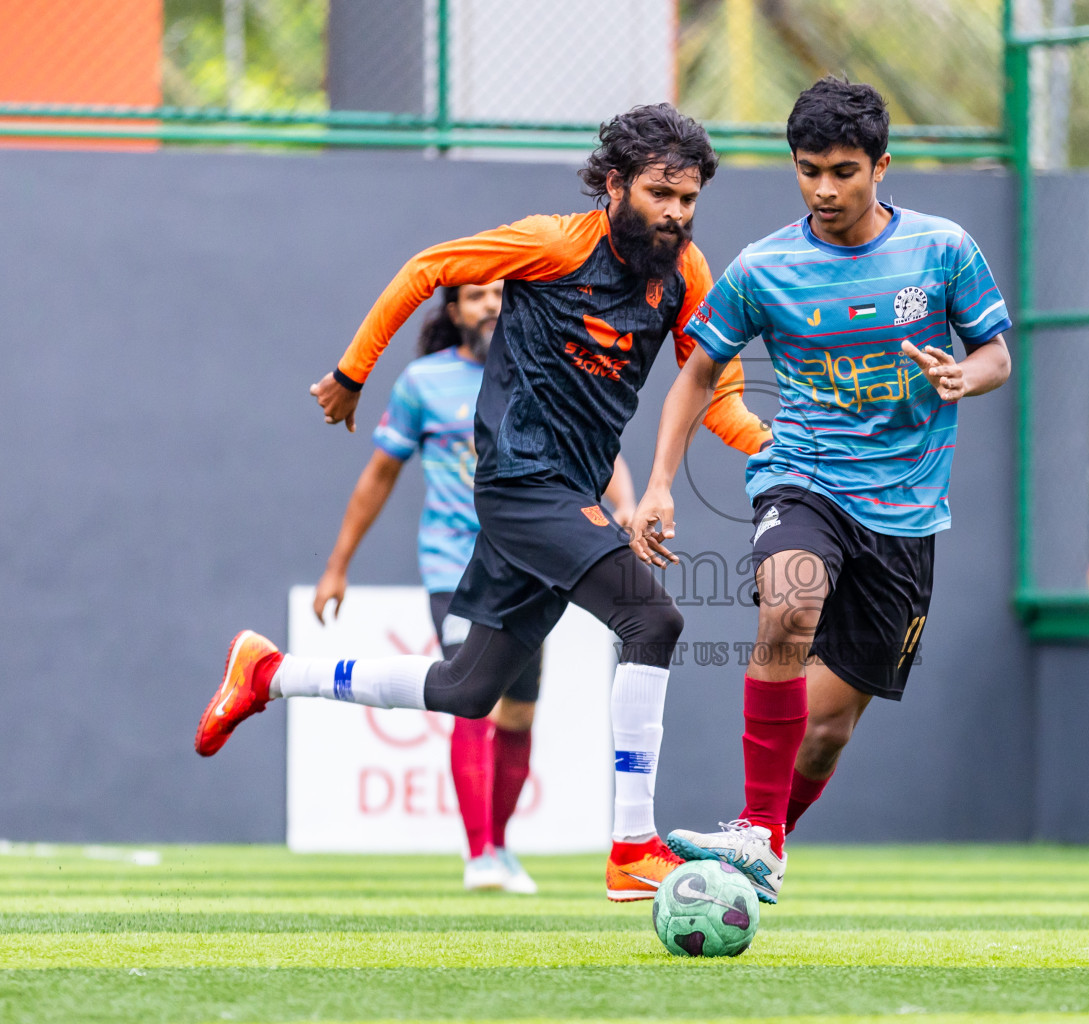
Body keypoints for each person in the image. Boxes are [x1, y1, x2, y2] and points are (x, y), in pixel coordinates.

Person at [193, 103, 771, 903]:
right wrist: (354, 372)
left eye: (688, 197)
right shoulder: (552, 242)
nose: (675, 212)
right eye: (659, 193)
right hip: (520, 485)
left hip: (561, 495)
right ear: (613, 184)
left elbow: (718, 397)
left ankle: (271, 674)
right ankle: (632, 845)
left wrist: (781, 449)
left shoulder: (686, 275)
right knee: (655, 621)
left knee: (469, 689)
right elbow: (429, 267)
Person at [628, 78, 1012, 903]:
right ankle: (760, 829)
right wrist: (660, 483)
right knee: (788, 603)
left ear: (881, 164)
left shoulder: (944, 250)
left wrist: (961, 376)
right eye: (809, 171)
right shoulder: (764, 268)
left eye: (844, 170)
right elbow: (696, 378)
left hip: (906, 512)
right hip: (801, 476)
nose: (826, 190)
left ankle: (765, 840)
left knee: (827, 731)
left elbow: (997, 356)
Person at [312, 280, 636, 894]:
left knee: (518, 711)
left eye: (499, 294)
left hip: (533, 565)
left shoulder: (547, 370)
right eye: (475, 295)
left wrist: (624, 502)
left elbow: (599, 445)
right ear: (454, 311)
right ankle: (480, 852)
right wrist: (338, 564)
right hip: (455, 566)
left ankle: (500, 845)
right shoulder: (423, 385)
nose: (491, 304)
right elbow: (379, 474)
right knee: (469, 689)